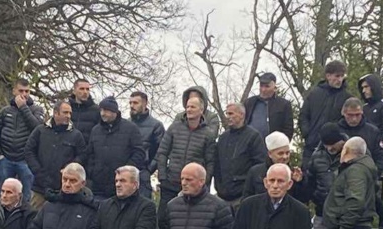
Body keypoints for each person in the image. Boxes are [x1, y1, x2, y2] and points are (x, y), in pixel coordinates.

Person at [157, 86, 221, 216]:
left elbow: (210, 162)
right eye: (187, 107)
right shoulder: (174, 128)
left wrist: (204, 182)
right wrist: (163, 177)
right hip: (171, 183)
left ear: (201, 110)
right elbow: (162, 152)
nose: (189, 110)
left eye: (192, 107)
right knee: (164, 219)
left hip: (194, 187)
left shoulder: (208, 134)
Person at [86, 97, 148, 202]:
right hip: (99, 187)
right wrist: (93, 172)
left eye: (106, 110)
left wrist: (126, 171)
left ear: (114, 111)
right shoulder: (95, 130)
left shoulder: (130, 128)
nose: (102, 113)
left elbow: (139, 153)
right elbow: (90, 154)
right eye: (101, 110)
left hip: (122, 186)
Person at [0, 79, 42, 198]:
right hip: (6, 159)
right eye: (21, 91)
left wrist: (23, 107)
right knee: (3, 195)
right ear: (14, 91)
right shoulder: (5, 111)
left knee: (27, 196)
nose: (24, 94)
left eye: (27, 91)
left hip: (26, 160)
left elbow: (38, 128)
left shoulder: (36, 110)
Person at [212, 102, 268, 206]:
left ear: (241, 115)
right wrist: (218, 185)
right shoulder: (223, 138)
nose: (228, 117)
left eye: (231, 114)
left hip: (243, 196)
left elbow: (259, 165)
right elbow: (217, 164)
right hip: (222, 196)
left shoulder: (253, 137)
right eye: (227, 114)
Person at [298, 60, 351, 151]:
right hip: (312, 145)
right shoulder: (314, 94)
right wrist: (307, 133)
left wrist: (339, 137)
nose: (340, 79)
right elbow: (304, 115)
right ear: (328, 76)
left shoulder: (347, 98)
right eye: (337, 76)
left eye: (342, 76)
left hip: (335, 147)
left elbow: (349, 121)